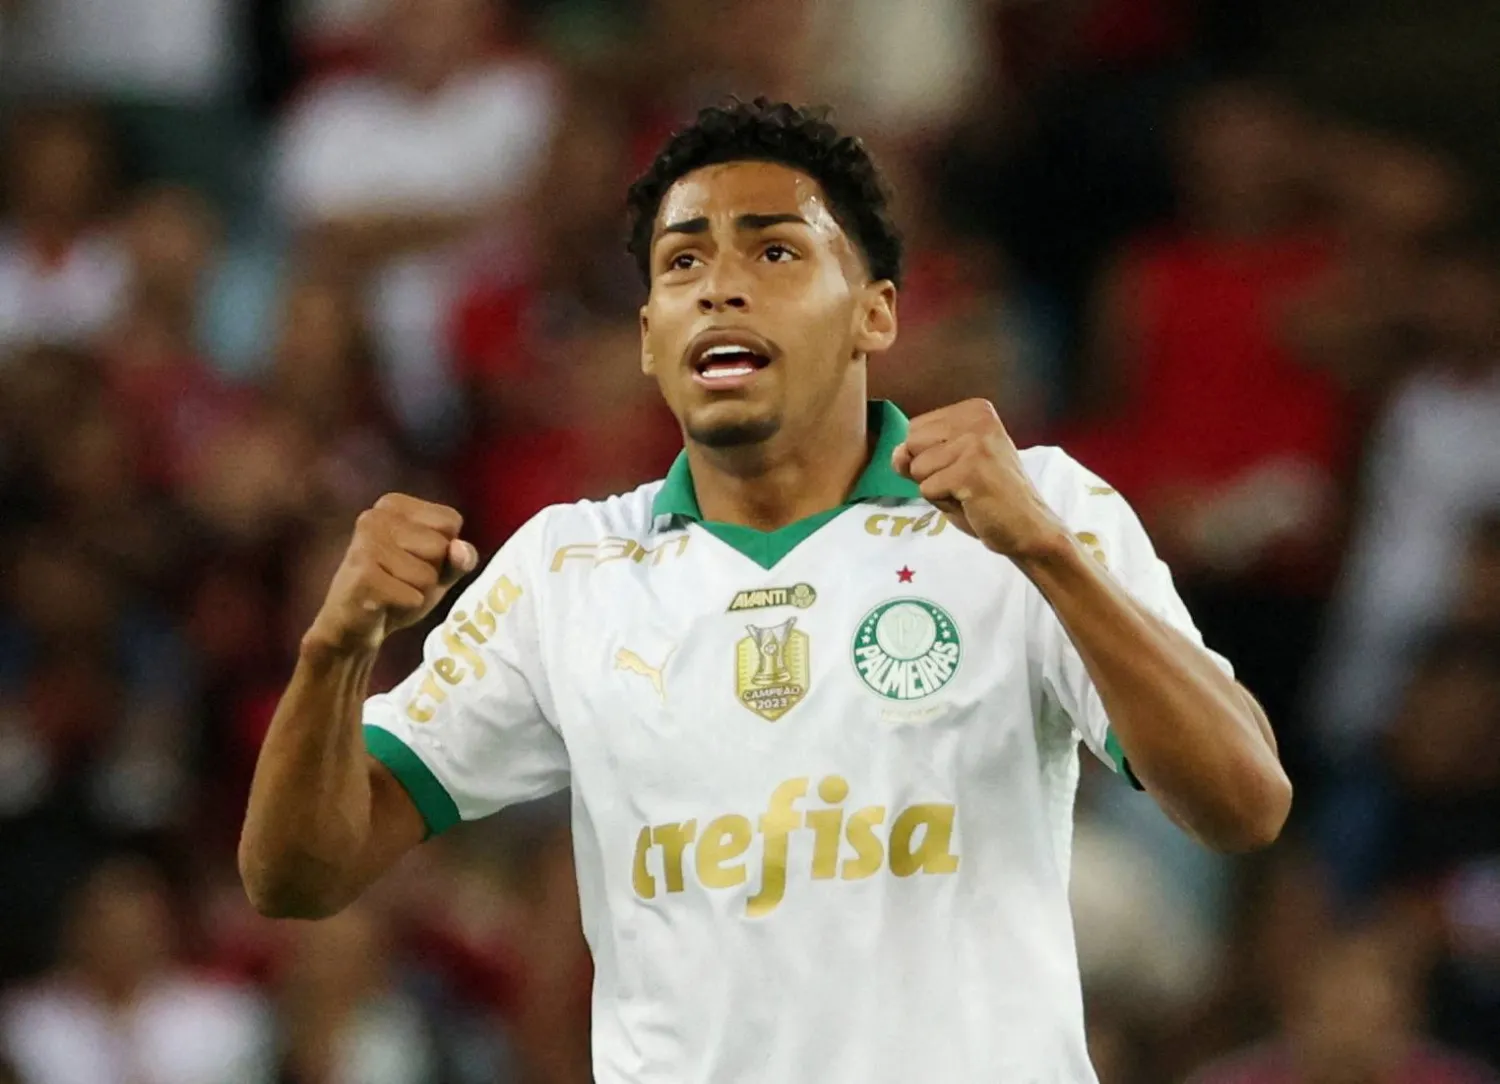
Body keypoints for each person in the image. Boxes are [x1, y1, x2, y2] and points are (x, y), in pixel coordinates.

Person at [240, 99, 1291, 1083]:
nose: (719, 286)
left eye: (775, 250)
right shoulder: (566, 569)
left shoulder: (1032, 508)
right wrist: (335, 651)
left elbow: (1244, 802)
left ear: (875, 313)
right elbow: (297, 875)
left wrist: (1049, 556)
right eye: (682, 261)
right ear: (649, 336)